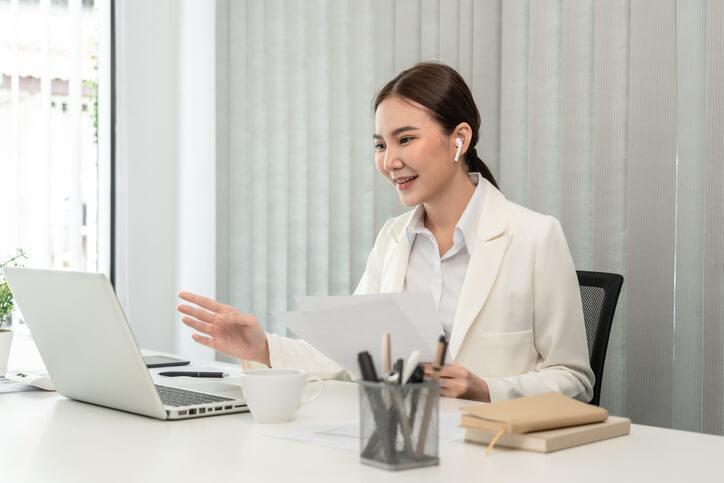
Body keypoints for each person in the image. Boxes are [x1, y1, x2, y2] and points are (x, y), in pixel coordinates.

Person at [177, 62, 594, 403]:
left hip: (494, 455)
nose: (389, 161)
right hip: (405, 445)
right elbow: (351, 356)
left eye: (405, 139)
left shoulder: (535, 237)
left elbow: (574, 379)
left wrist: (486, 389)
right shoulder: (393, 239)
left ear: (459, 139)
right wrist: (262, 348)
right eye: (380, 145)